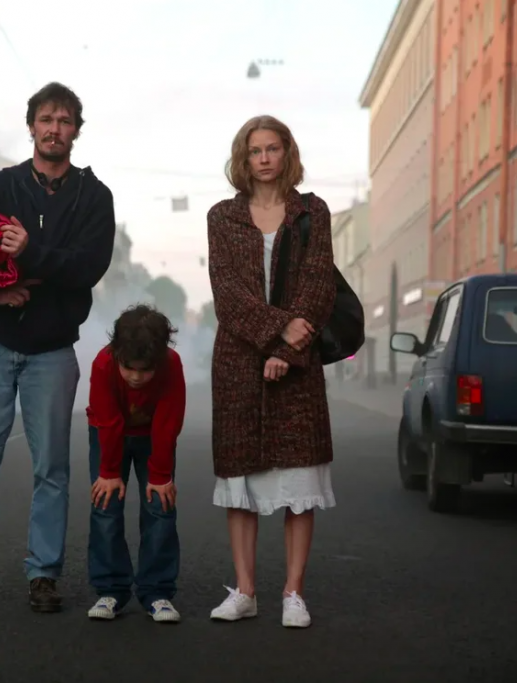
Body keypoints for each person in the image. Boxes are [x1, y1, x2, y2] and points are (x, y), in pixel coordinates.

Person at [0, 82, 116, 613]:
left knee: (51, 468)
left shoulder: (93, 196)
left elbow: (88, 268)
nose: (54, 129)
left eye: (64, 120)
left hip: (52, 350)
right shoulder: (1, 187)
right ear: (31, 125)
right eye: (46, 119)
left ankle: (43, 574)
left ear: (76, 130)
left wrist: (31, 252)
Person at [205, 115, 337, 628]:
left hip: (298, 365)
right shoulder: (222, 217)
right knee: (241, 482)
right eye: (255, 150)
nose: (264, 158)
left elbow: (318, 284)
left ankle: (293, 593)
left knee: (298, 485)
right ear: (243, 157)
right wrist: (278, 330)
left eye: (273, 148)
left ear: (287, 153)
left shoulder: (312, 212)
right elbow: (228, 295)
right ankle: (245, 591)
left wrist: (289, 350)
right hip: (238, 363)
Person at [85, 304, 186, 623]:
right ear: (117, 354)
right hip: (106, 431)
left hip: (154, 434)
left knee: (160, 505)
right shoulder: (103, 363)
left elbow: (168, 421)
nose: (136, 377)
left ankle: (156, 592)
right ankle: (111, 590)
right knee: (105, 506)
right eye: (129, 368)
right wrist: (108, 472)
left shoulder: (171, 364)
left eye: (145, 370)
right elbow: (109, 420)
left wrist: (161, 475)